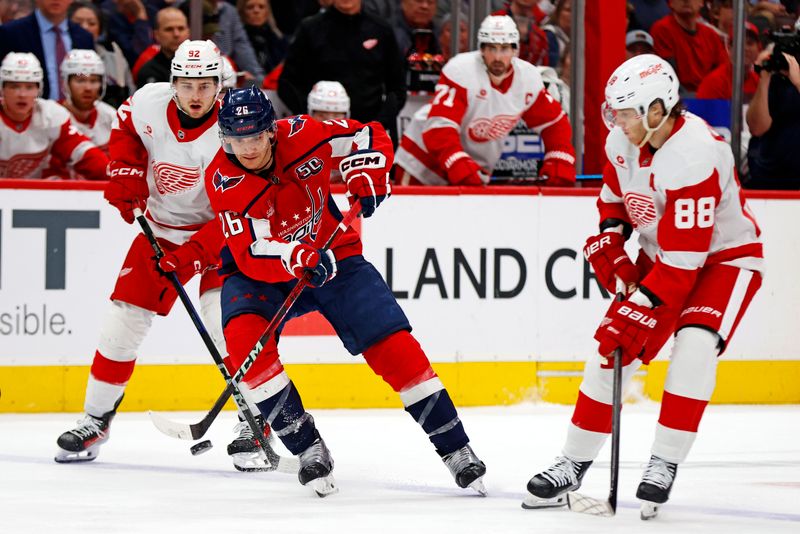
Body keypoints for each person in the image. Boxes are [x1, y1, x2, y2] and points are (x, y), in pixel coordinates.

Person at [204, 85, 487, 496]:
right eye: (235, 139)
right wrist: (297, 255)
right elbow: (250, 252)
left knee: (394, 345)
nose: (245, 148)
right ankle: (308, 448)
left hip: (334, 256)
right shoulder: (223, 178)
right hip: (260, 273)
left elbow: (368, 134)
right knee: (246, 343)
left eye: (253, 136)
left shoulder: (304, 133)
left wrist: (368, 171)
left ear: (271, 131)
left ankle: (456, 449)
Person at [523, 55, 764, 519]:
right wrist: (612, 242)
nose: (618, 122)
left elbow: (686, 261)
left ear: (659, 109)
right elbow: (615, 201)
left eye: (628, 112)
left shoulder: (696, 154)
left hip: (725, 261)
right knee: (609, 352)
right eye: (615, 112)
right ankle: (572, 462)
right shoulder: (623, 138)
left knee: (693, 348)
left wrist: (643, 301)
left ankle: (663, 461)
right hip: (665, 256)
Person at [53, 40, 267, 467]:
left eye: (204, 85)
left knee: (229, 325)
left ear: (219, 86)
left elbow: (243, 206)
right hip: (162, 229)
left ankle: (256, 424)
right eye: (185, 84)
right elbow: (126, 131)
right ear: (172, 83)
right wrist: (126, 173)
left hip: (225, 236)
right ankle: (96, 420)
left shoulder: (237, 131)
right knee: (123, 320)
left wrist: (196, 253)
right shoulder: (148, 102)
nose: (194, 95)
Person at [394, 15, 575, 186]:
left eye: (504, 48)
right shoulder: (461, 70)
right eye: (491, 48)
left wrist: (559, 156)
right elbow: (440, 127)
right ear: (481, 49)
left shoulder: (528, 78)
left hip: (472, 167)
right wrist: (457, 162)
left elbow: (554, 123)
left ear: (515, 50)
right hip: (422, 162)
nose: (497, 57)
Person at [277, 0, 406, 145]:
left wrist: (377, 125)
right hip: (318, 135)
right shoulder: (310, 28)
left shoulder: (381, 30)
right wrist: (309, 117)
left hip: (365, 135)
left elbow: (397, 89)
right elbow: (286, 83)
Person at [0, 52, 107, 179]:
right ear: (2, 89)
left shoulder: (51, 116)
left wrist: (118, 178)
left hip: (34, 195)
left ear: (39, 90)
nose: (22, 94)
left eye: (29, 87)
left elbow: (83, 153)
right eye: (14, 86)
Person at [0, 0, 94, 100]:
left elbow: (88, 76)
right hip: (28, 110)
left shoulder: (84, 37)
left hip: (75, 111)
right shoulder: (11, 33)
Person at [46, 49, 116, 179]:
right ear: (65, 83)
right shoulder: (52, 117)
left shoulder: (110, 115)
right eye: (80, 80)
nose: (88, 88)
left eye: (94, 80)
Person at [745, 38, 800, 188]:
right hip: (767, 178)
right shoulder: (775, 82)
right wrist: (764, 78)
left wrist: (798, 83)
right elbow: (757, 128)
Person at [649, 0, 728, 94]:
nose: (686, 0)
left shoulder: (711, 35)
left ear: (701, 2)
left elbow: (723, 74)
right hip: (677, 97)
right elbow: (667, 77)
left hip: (708, 96)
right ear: (670, 3)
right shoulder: (662, 30)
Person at [68, 0, 135, 108]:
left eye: (92, 23)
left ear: (99, 30)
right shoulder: (59, 57)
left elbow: (131, 96)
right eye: (78, 23)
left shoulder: (116, 59)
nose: (85, 27)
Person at [135, 7, 190, 86]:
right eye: (169, 29)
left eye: (181, 28)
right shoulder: (148, 71)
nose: (176, 34)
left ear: (188, 32)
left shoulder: (202, 66)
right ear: (156, 35)